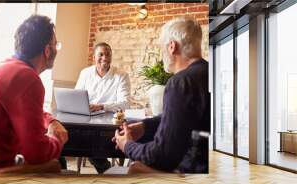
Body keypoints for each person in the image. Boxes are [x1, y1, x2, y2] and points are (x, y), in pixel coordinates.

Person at [112, 17, 210, 173]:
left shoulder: (180, 82)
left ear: (172, 46)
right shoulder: (210, 73)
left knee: (135, 169)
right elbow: (181, 118)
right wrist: (145, 126)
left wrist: (127, 146)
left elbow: (162, 156)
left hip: (193, 176)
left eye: (161, 47)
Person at [0, 15, 68, 170]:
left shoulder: (5, 67)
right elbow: (36, 153)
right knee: (55, 165)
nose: (56, 49)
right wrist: (56, 139)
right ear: (47, 50)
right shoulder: (28, 78)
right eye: (56, 45)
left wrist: (51, 120)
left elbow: (23, 110)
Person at [75, 42, 131, 174]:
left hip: (109, 125)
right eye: (100, 54)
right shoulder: (85, 73)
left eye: (108, 54)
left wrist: (101, 106)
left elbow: (125, 103)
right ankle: (108, 172)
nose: (104, 58)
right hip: (86, 121)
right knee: (78, 140)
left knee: (91, 145)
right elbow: (76, 95)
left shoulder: (121, 75)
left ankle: (108, 171)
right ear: (94, 57)